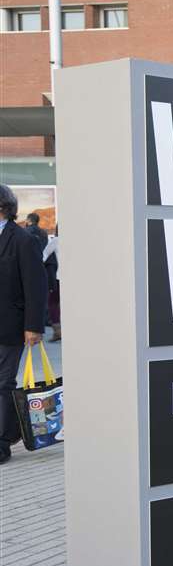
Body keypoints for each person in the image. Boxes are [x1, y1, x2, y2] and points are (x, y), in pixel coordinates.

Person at [0, 186, 49, 465]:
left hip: (10, 325)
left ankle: (3, 442)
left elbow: (36, 286)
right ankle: (12, 428)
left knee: (3, 382)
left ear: (3, 208)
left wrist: (34, 326)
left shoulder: (22, 240)